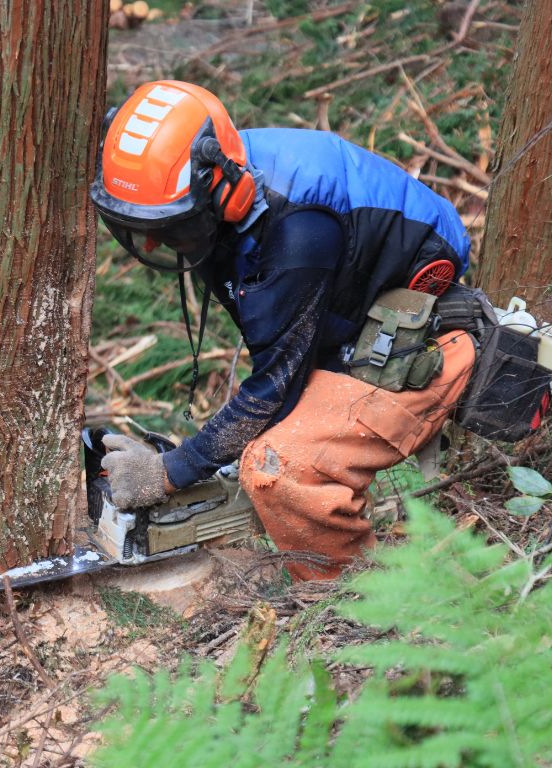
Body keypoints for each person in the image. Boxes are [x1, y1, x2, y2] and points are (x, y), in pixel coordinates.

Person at [90, 80, 476, 580]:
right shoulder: (215, 194)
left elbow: (276, 383)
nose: (164, 242)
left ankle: (350, 594)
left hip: (422, 332)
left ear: (224, 187)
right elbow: (275, 349)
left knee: (276, 466)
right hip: (345, 305)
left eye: (175, 229)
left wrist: (171, 471)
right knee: (262, 435)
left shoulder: (297, 232)